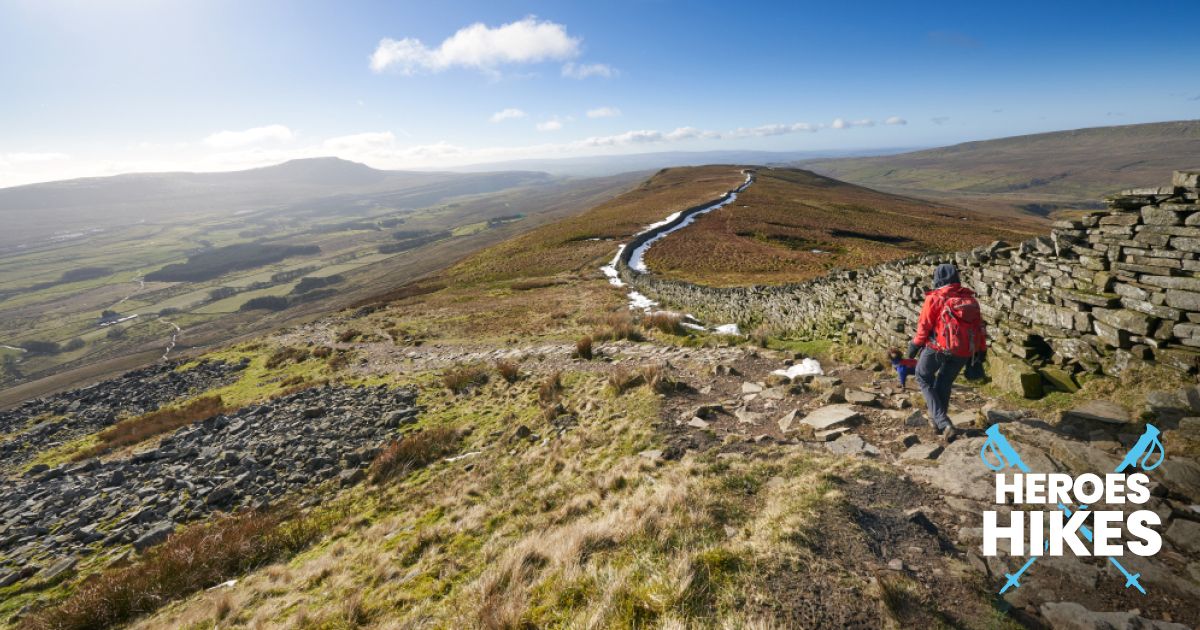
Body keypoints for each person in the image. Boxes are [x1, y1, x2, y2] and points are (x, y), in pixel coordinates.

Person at [907, 263, 987, 443]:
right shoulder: (969, 299)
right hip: (964, 351)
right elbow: (979, 328)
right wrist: (981, 350)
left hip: (938, 347)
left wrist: (914, 346)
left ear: (938, 279)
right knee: (944, 382)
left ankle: (942, 422)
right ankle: (940, 424)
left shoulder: (935, 297)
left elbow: (924, 326)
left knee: (922, 375)